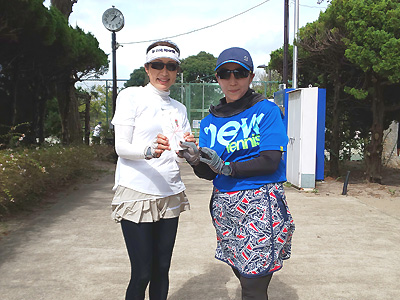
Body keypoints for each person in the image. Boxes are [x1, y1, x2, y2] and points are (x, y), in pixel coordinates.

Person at [180, 47, 295, 300]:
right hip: (225, 208)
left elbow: (270, 160)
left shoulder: (266, 110)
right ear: (218, 78)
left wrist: (228, 168)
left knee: (253, 287)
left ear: (251, 76)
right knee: (243, 275)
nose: (232, 81)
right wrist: (195, 161)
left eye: (240, 73)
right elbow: (210, 174)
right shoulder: (211, 121)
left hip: (260, 205)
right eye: (225, 74)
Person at [110, 40, 195, 300]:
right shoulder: (131, 95)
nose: (164, 72)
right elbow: (121, 147)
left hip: (170, 193)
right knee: (142, 272)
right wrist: (148, 151)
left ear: (177, 71)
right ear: (147, 68)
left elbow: (178, 157)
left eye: (171, 66)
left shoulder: (179, 108)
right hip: (137, 193)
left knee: (162, 269)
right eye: (157, 65)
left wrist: (188, 151)